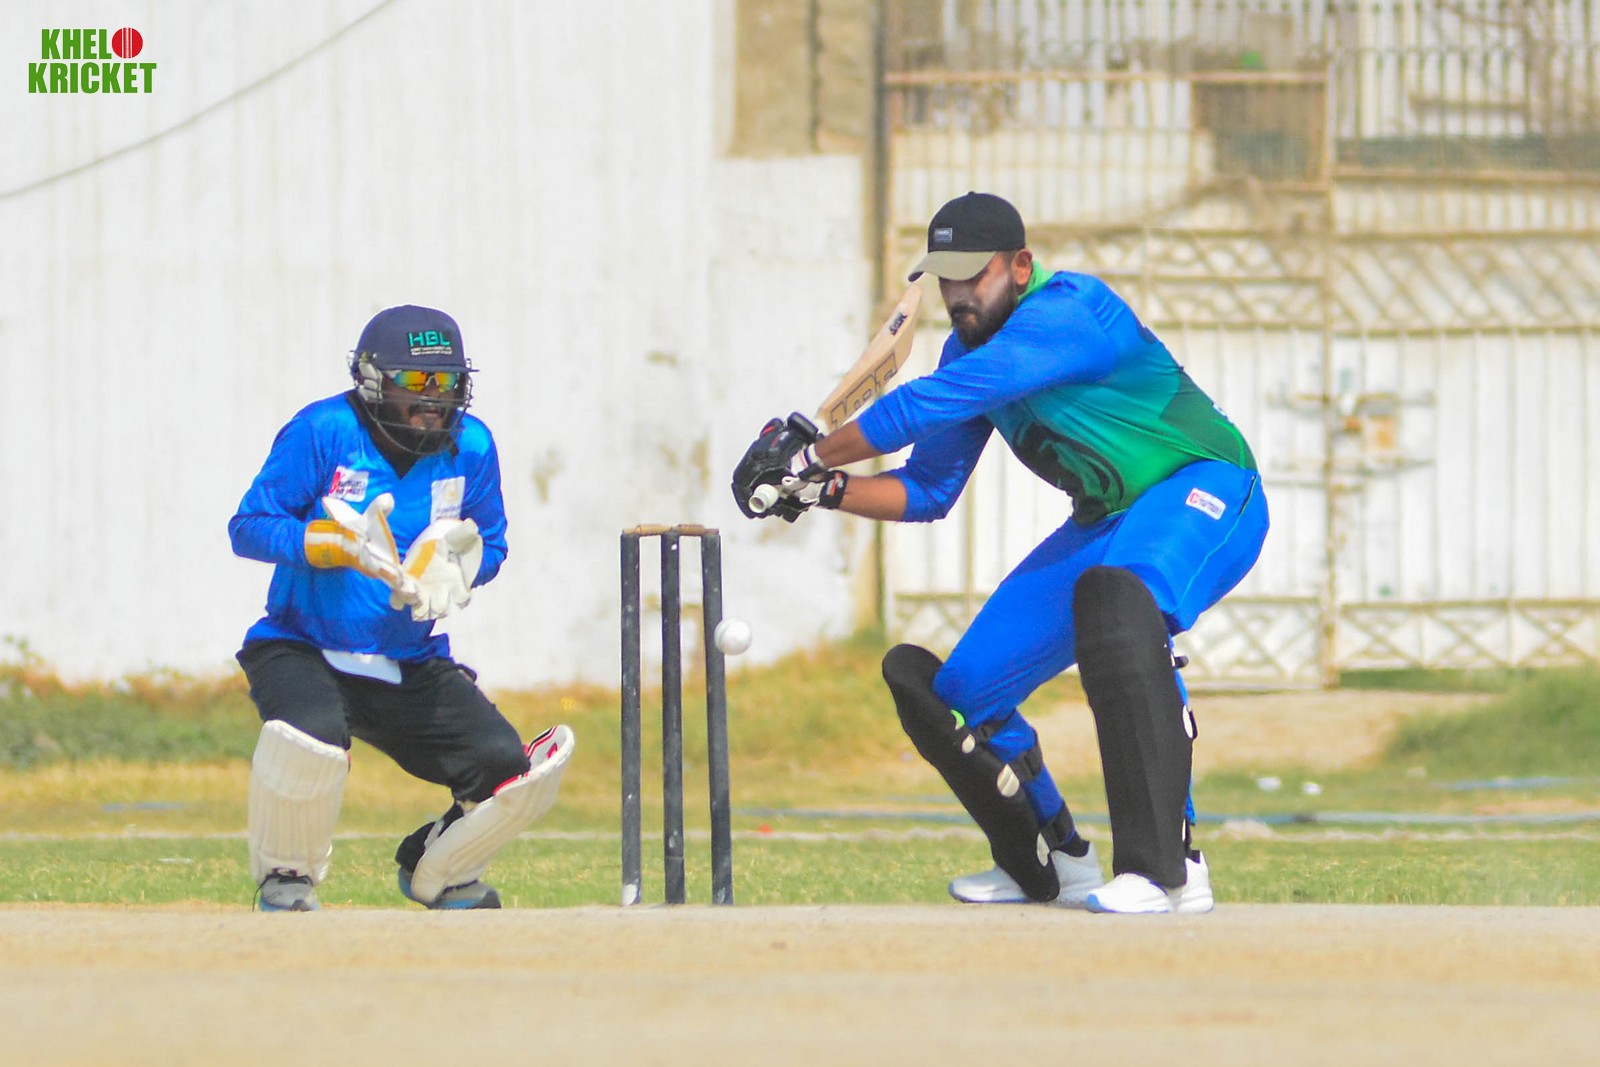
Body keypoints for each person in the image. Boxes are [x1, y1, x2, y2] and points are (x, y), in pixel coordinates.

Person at [731, 193, 1268, 914]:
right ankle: (1055, 862)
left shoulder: (1070, 312)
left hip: (1204, 485)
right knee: (962, 695)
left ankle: (1171, 867)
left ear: (1019, 266)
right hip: (1104, 523)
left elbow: (922, 405)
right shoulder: (967, 353)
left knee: (1120, 603)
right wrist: (823, 488)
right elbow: (927, 489)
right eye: (945, 279)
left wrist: (809, 452)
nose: (957, 294)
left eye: (972, 275)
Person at [229, 304, 574, 912]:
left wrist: (459, 568)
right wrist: (325, 544)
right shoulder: (324, 430)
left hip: (407, 657)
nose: (433, 397)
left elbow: (493, 541)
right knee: (307, 740)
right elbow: (250, 525)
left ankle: (439, 868)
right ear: (373, 380)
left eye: (447, 382)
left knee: (505, 768)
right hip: (301, 644)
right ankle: (288, 878)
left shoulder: (470, 445)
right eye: (416, 380)